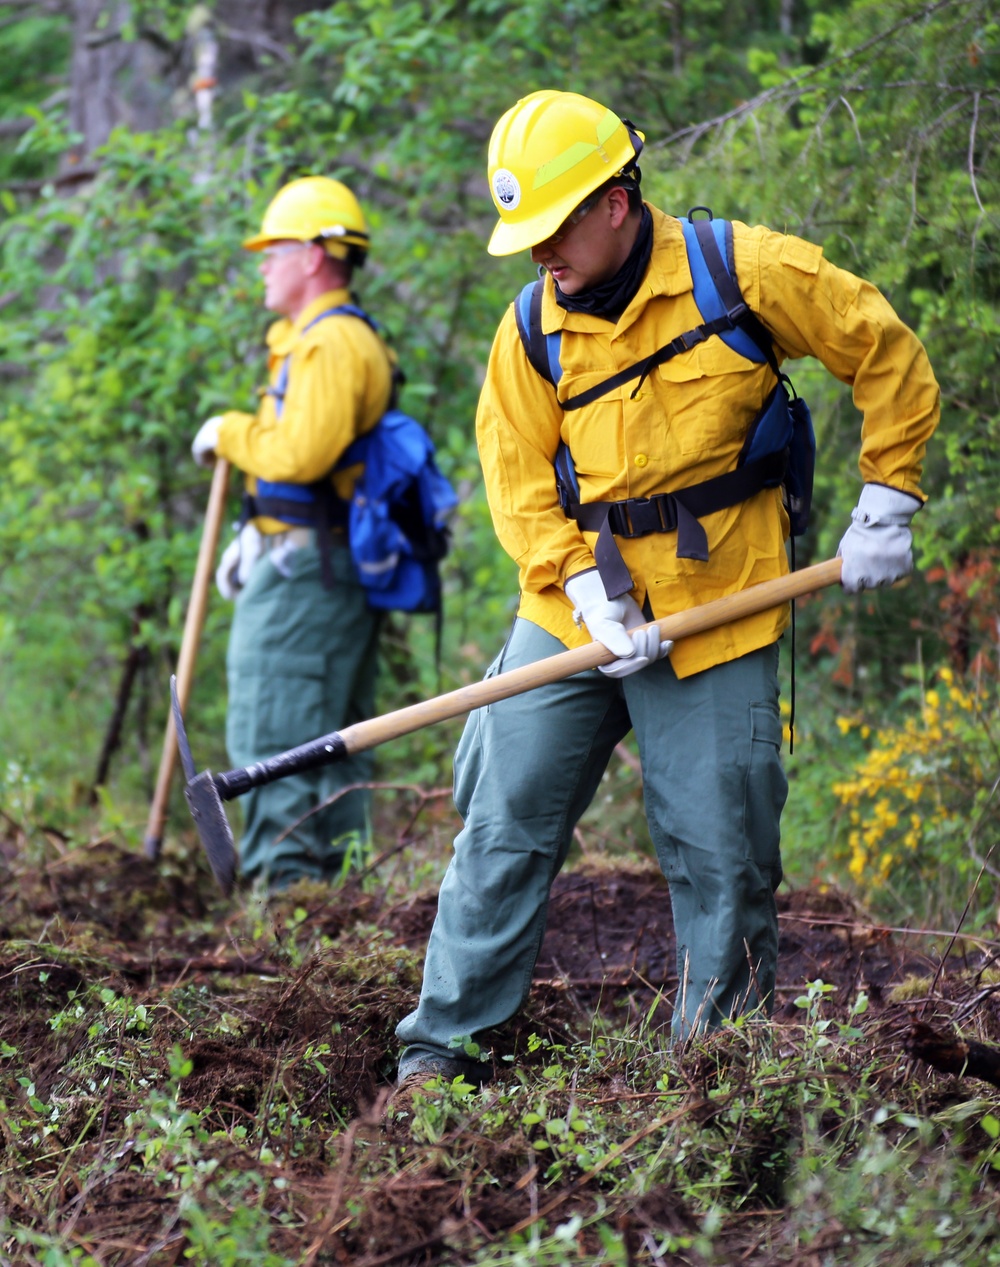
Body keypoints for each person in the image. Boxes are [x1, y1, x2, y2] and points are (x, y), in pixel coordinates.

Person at [391, 89, 939, 1089]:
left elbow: (882, 347)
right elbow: (514, 481)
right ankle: (441, 1054)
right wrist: (577, 587)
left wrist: (886, 495)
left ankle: (713, 1082)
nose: (537, 255)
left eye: (553, 228)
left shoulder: (743, 273)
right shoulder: (527, 331)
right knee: (502, 819)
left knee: (723, 851)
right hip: (572, 609)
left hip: (713, 609)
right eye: (523, 235)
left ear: (615, 201)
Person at [191, 176, 394, 891]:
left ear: (313, 255)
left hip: (312, 571)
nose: (261, 264)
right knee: (324, 736)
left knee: (275, 728)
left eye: (272, 250)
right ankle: (336, 902)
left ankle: (284, 901)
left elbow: (301, 454)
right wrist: (257, 528)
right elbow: (300, 459)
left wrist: (231, 431)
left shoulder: (333, 342)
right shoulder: (313, 339)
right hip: (312, 557)